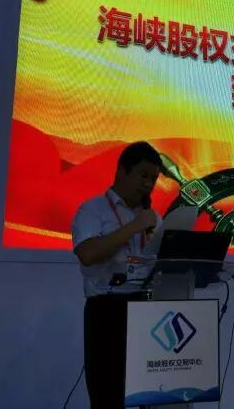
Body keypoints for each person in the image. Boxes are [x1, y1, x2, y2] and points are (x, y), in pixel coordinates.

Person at [71, 141, 163, 409]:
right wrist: (134, 227)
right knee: (107, 396)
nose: (148, 184)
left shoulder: (153, 218)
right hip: (107, 310)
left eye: (153, 179)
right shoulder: (92, 210)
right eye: (143, 175)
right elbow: (88, 254)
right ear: (122, 171)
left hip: (144, 308)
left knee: (149, 392)